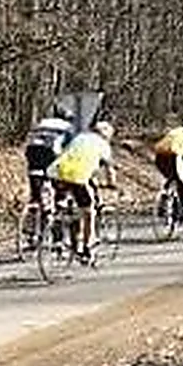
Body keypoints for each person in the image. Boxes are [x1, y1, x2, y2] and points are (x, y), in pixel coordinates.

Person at [47, 119, 117, 261]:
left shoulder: (79, 137)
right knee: (88, 210)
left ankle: (58, 233)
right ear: (107, 136)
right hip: (78, 176)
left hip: (56, 172)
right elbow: (109, 169)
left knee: (63, 202)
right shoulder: (103, 145)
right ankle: (86, 249)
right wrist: (111, 184)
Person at [22, 109, 74, 210]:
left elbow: (31, 137)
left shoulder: (42, 122)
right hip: (51, 149)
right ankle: (61, 198)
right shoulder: (68, 126)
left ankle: (35, 199)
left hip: (32, 148)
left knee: (35, 171)